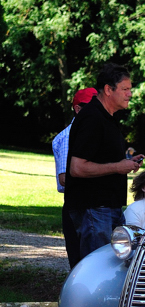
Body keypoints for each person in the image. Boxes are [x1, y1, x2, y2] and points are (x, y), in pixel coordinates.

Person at [66, 63, 144, 263]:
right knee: (97, 267)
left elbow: (100, 158)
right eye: (125, 89)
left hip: (108, 206)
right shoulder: (92, 117)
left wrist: (125, 162)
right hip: (94, 208)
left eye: (130, 89)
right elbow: (77, 167)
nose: (130, 94)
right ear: (108, 90)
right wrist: (119, 167)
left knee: (114, 266)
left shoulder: (108, 118)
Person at [52, 88, 97, 269]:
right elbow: (65, 178)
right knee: (82, 263)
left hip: (91, 204)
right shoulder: (69, 136)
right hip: (78, 206)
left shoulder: (91, 133)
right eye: (91, 107)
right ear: (78, 109)